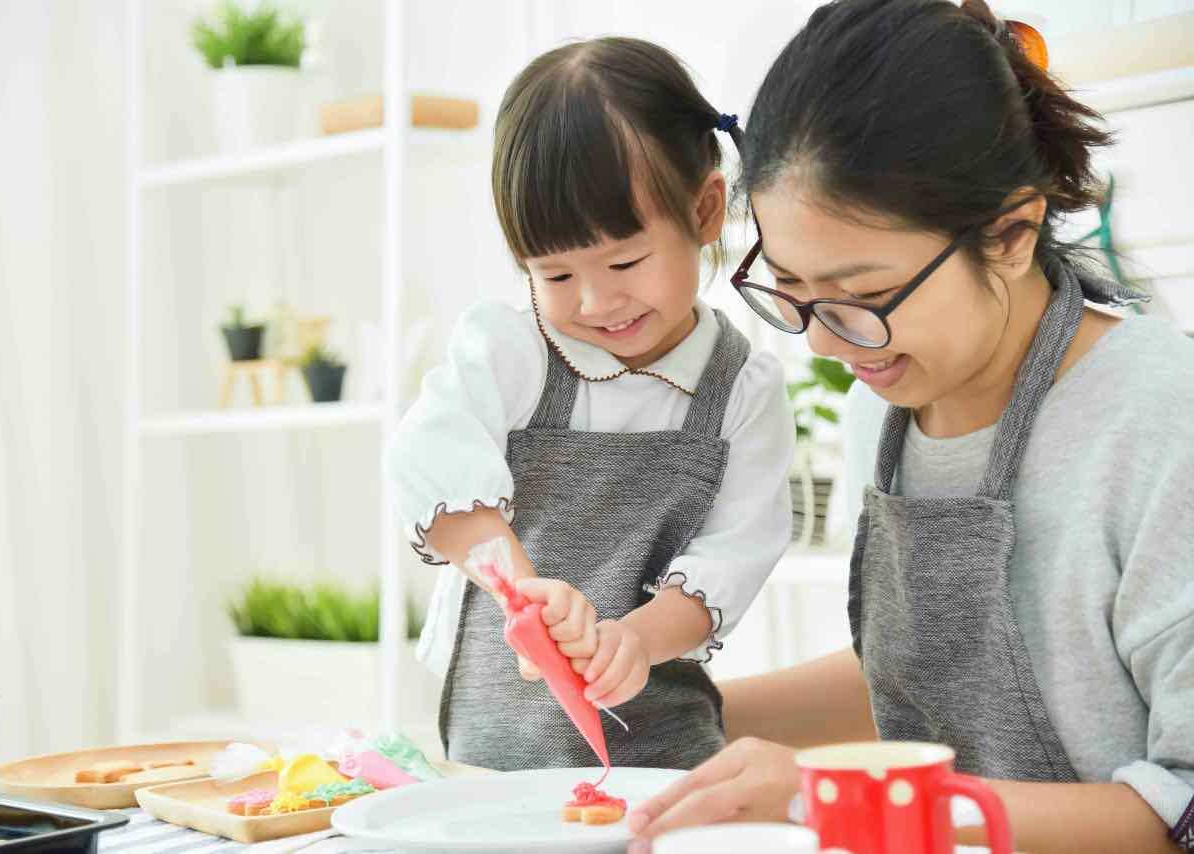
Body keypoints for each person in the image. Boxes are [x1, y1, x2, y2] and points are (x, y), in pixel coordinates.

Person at [628, 2, 1194, 852]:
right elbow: (923, 681)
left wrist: (841, 799)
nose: (821, 340)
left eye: (861, 296)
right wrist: (663, 713)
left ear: (1011, 232)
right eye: (791, 287)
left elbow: (1184, 804)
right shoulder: (887, 406)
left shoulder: (1161, 418)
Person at [384, 37, 794, 771]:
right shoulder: (511, 353)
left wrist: (633, 640)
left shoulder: (741, 391)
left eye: (626, 261)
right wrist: (522, 589)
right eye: (556, 274)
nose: (598, 301)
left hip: (665, 737)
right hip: (496, 738)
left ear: (704, 210)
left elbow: (735, 553)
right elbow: (427, 457)